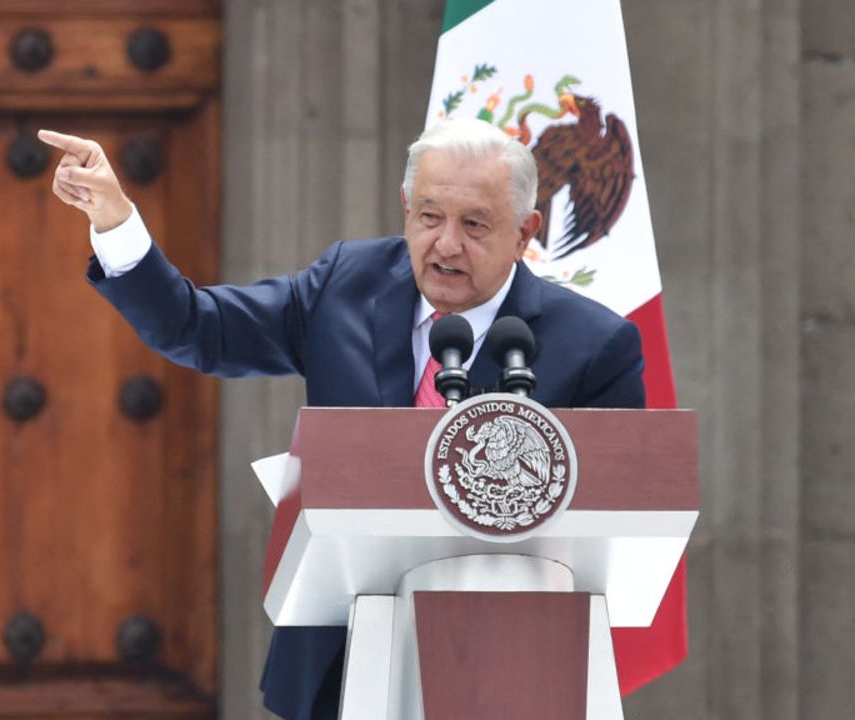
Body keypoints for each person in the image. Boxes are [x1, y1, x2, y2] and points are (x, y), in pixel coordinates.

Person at [38, 119, 644, 719]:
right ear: (406, 209)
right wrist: (115, 222)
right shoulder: (345, 286)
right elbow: (196, 327)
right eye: (429, 217)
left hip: (513, 663)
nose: (447, 244)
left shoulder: (593, 345)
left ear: (525, 232)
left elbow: (619, 521)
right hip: (342, 659)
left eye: (476, 225)